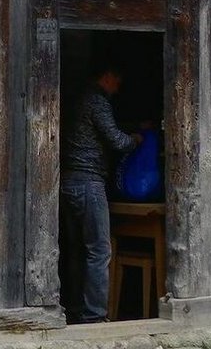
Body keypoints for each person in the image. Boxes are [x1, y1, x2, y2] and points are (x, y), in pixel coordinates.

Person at [60, 66, 142, 324]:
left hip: (67, 181)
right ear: (107, 76)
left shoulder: (77, 100)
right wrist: (137, 139)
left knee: (75, 250)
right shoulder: (97, 101)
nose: (117, 90)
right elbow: (116, 140)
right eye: (116, 83)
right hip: (89, 183)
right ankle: (94, 315)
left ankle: (72, 308)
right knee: (99, 250)